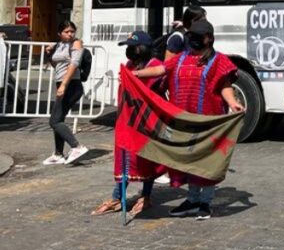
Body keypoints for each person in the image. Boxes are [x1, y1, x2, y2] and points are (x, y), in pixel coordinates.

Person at [133, 20, 244, 220]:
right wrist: (137, 74)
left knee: (207, 161)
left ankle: (205, 202)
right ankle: (192, 200)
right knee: (189, 160)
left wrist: (233, 103)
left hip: (208, 122)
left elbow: (225, 85)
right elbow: (161, 70)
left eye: (196, 36)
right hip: (184, 121)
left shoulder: (219, 61)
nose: (191, 39)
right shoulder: (182, 58)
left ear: (208, 38)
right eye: (190, 35)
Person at [92, 32, 165, 216]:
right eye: (128, 47)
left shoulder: (154, 66)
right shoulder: (130, 65)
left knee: (146, 158)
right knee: (125, 157)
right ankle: (117, 197)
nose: (129, 51)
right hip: (128, 121)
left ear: (144, 48)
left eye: (133, 47)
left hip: (147, 123)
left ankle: (146, 196)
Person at [43, 20, 89, 166]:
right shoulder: (59, 45)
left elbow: (74, 64)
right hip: (62, 84)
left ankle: (77, 147)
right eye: (66, 32)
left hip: (71, 85)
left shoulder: (76, 43)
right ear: (59, 33)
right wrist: (49, 53)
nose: (70, 34)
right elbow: (57, 65)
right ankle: (58, 154)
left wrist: (63, 84)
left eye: (72, 31)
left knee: (54, 121)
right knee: (59, 119)